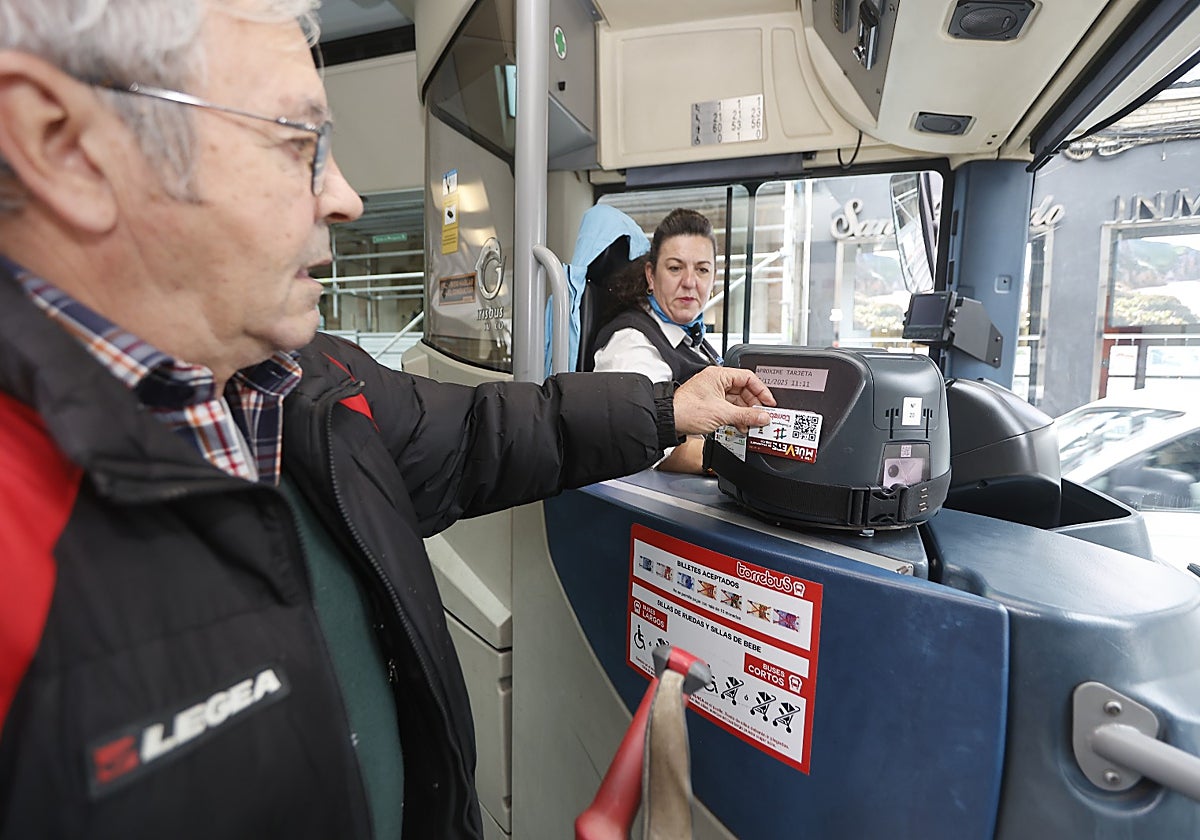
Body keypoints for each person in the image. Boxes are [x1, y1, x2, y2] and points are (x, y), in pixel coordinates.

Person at [0, 2, 775, 839]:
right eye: (297, 143)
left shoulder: (316, 384)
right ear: (68, 149)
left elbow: (494, 431)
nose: (346, 198)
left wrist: (666, 407)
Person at [593, 208, 724, 473]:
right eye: (675, 268)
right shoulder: (631, 343)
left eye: (702, 270)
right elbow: (650, 448)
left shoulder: (691, 337)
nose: (690, 282)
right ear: (651, 276)